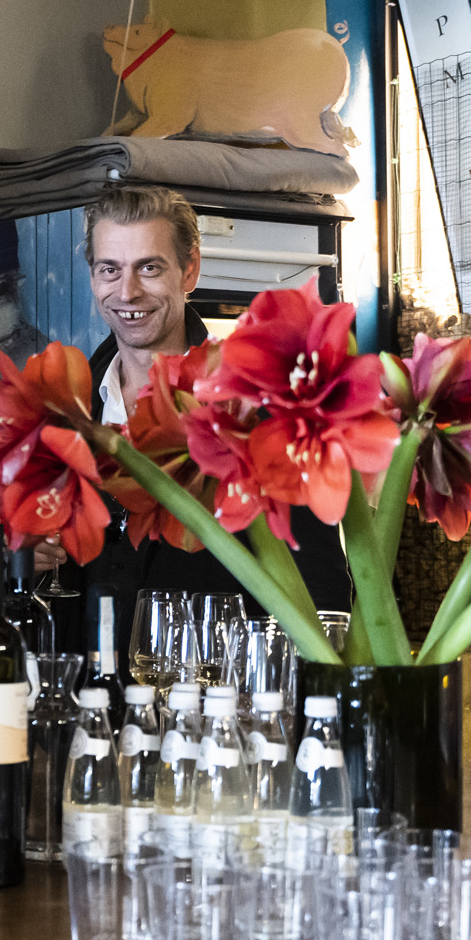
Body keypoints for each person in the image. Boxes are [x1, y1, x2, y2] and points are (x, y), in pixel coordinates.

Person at [58, 183, 350, 658]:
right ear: (92, 276)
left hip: (214, 694)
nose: (127, 292)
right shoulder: (69, 409)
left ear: (189, 270)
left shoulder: (255, 405)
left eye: (149, 268)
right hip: (91, 694)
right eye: (109, 269)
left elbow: (322, 593)